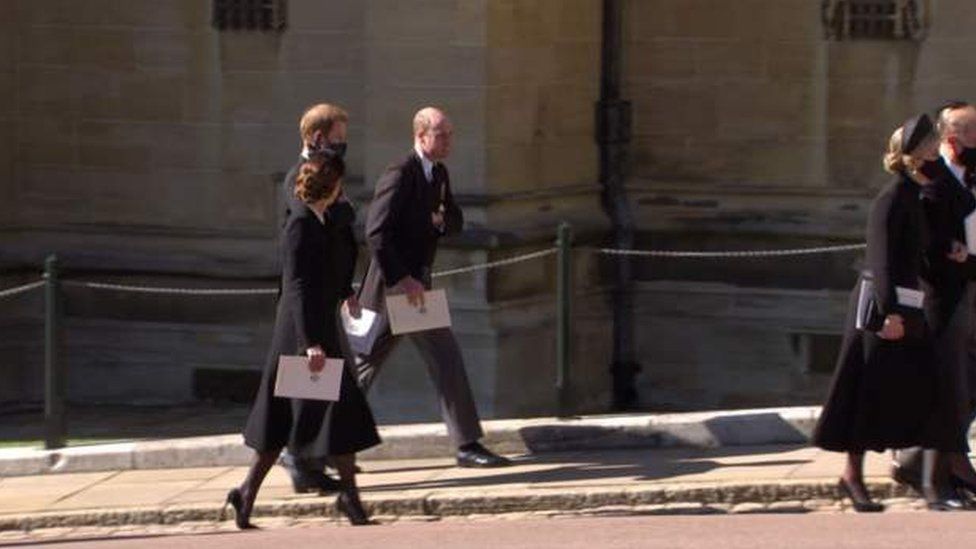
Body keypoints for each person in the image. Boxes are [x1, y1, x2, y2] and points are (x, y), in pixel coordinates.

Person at [224, 156, 381, 529]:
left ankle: (349, 498)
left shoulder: (325, 219)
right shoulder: (299, 224)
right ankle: (247, 493)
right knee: (281, 419)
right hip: (299, 334)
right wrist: (310, 342)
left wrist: (347, 293)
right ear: (330, 186)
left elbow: (333, 266)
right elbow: (295, 286)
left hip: (323, 325)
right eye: (339, 183)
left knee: (341, 411)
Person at [356, 107, 511, 468]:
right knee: (357, 367)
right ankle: (307, 446)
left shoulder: (439, 173)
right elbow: (375, 233)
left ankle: (467, 443)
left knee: (446, 358)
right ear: (421, 135)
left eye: (450, 134)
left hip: (416, 290)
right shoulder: (400, 172)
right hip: (389, 289)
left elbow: (453, 220)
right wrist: (402, 278)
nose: (448, 141)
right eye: (441, 134)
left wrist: (439, 222)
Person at [812, 114, 943, 512]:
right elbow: (882, 260)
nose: (937, 149)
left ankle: (895, 465)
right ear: (917, 149)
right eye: (932, 143)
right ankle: (852, 475)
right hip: (881, 310)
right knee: (864, 391)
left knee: (891, 390)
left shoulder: (915, 192)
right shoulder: (892, 196)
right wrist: (888, 314)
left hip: (905, 305)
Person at [893, 102, 976, 506]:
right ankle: (943, 472)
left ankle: (933, 463)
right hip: (941, 296)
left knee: (966, 385)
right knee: (947, 384)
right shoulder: (927, 178)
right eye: (974, 132)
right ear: (951, 139)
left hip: (968, 289)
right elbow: (919, 237)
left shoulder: (967, 176)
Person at [278, 104, 361, 494]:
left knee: (325, 383)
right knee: (312, 382)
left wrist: (346, 290)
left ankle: (310, 458)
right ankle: (299, 459)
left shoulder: (331, 177)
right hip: (304, 303)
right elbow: (318, 223)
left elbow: (344, 224)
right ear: (317, 138)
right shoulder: (300, 177)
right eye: (338, 138)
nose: (343, 146)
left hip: (326, 296)